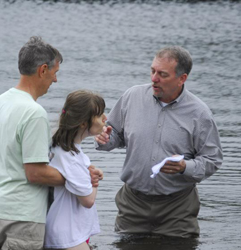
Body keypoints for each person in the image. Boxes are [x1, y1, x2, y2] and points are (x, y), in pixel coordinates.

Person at [0, 36, 100, 250]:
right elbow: (35, 174)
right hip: (21, 215)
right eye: (55, 73)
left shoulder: (1, 101)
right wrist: (79, 176)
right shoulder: (34, 113)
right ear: (43, 70)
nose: (55, 80)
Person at [95, 46, 223, 238]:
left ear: (182, 79)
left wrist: (184, 167)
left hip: (177, 208)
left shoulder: (200, 113)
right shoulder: (132, 97)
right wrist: (104, 138)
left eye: (162, 74)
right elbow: (115, 135)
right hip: (132, 203)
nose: (154, 78)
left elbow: (212, 160)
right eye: (152, 71)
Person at [44, 90, 106, 250]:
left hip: (65, 231)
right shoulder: (70, 158)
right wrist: (94, 183)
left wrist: (90, 173)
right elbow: (88, 201)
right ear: (83, 123)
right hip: (68, 236)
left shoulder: (60, 148)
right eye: (99, 115)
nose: (105, 119)